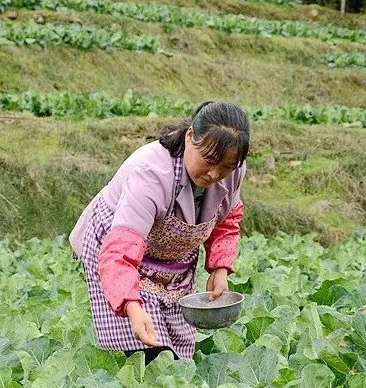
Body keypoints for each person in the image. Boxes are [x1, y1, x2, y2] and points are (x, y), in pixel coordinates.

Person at [69, 101, 250, 364]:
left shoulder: (233, 171)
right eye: (209, 161)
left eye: (226, 166)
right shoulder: (150, 174)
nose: (214, 174)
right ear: (190, 137)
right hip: (117, 248)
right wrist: (132, 306)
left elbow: (227, 218)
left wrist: (220, 269)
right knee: (142, 349)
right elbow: (119, 252)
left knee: (176, 349)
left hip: (172, 261)